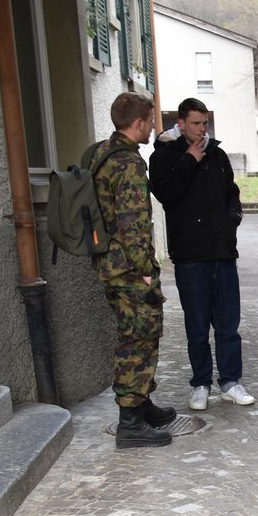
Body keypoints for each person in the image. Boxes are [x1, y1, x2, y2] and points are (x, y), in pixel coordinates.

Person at [148, 97, 253, 412]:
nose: (202, 128)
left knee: (228, 324)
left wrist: (231, 219)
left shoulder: (218, 155)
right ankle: (200, 384)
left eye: (205, 122)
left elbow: (231, 193)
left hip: (222, 251)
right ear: (181, 124)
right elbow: (165, 194)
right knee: (196, 326)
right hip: (190, 256)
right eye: (196, 123)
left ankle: (231, 382)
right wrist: (189, 160)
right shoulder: (164, 156)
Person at [92, 92, 175, 449]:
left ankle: (141, 405)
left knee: (137, 334)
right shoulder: (127, 162)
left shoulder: (101, 152)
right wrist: (144, 269)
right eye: (151, 120)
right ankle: (130, 422)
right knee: (138, 339)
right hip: (128, 268)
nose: (153, 126)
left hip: (109, 262)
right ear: (139, 123)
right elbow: (133, 222)